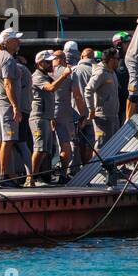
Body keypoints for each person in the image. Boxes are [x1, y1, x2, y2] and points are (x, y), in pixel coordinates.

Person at [0, 29, 24, 187]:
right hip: (6, 105)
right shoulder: (8, 59)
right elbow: (8, 83)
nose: (19, 42)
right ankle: (3, 177)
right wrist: (15, 106)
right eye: (16, 39)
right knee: (8, 141)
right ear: (7, 42)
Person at [84, 47, 123, 178]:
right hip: (103, 116)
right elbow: (88, 90)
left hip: (113, 114)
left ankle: (109, 169)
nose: (119, 61)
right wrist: (91, 109)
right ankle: (96, 170)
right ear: (111, 59)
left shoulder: (112, 72)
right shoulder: (100, 72)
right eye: (117, 59)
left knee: (113, 144)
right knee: (101, 143)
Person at [48, 48, 83, 183]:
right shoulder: (69, 73)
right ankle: (63, 174)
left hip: (47, 112)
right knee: (66, 144)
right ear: (64, 59)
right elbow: (77, 96)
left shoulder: (46, 73)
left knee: (45, 146)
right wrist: (83, 114)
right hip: (64, 112)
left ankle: (42, 174)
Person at [28, 50, 60, 187]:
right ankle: (31, 178)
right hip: (38, 117)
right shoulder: (37, 77)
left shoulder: (46, 76)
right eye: (48, 62)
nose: (51, 64)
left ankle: (39, 176)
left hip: (46, 118)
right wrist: (64, 76)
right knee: (39, 148)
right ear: (40, 63)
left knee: (46, 150)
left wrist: (52, 117)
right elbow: (51, 88)